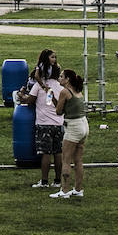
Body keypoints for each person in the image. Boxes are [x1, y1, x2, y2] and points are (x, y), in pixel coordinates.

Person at [18, 48, 63, 189]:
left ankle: (44, 181)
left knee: (45, 154)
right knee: (58, 153)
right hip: (59, 124)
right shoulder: (60, 86)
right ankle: (57, 181)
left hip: (44, 124)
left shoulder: (39, 86)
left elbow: (28, 101)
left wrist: (21, 95)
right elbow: (53, 102)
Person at [51, 68, 87, 198]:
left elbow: (58, 112)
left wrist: (53, 98)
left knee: (65, 159)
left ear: (67, 80)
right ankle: (78, 189)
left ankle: (64, 191)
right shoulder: (78, 91)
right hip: (83, 124)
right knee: (78, 160)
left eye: (61, 76)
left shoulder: (64, 91)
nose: (59, 78)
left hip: (73, 126)